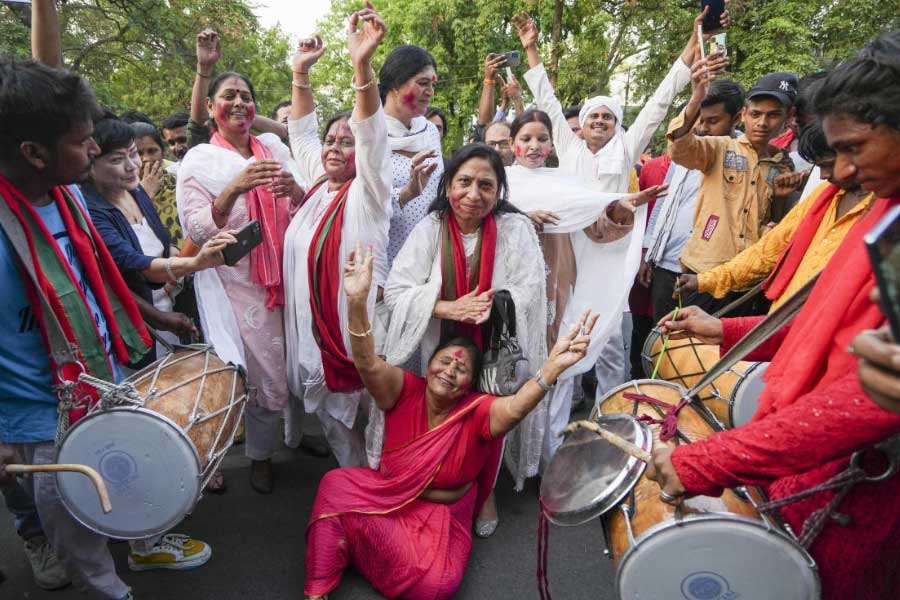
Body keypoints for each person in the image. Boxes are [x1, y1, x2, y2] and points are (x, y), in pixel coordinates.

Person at [646, 31, 900, 599]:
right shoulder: (882, 207)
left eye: (855, 148)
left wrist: (710, 460)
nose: (844, 171)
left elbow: (871, 398)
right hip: (794, 466)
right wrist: (728, 328)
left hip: (849, 492)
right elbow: (816, 319)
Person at [0, 55, 212, 599]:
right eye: (83, 141)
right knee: (68, 519)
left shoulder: (69, 199)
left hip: (103, 380)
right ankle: (108, 591)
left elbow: (98, 285)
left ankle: (138, 546)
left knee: (123, 475)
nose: (95, 149)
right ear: (34, 154)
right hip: (36, 417)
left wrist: (155, 315)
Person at [305, 241, 599, 600]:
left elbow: (517, 408)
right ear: (429, 366)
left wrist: (550, 369)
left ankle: (358, 545)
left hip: (442, 518)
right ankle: (319, 588)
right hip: (389, 499)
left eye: (461, 369)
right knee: (334, 485)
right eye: (444, 362)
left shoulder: (475, 412)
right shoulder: (404, 389)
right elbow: (367, 362)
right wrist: (355, 303)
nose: (450, 370)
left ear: (468, 383)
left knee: (437, 585)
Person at [514, 8, 705, 399]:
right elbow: (546, 100)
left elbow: (659, 102)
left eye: (607, 117)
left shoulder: (626, 147)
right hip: (568, 251)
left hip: (612, 252)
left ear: (616, 124)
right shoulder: (568, 148)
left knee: (613, 344)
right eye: (593, 116)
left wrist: (693, 42)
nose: (599, 121)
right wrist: (531, 50)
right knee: (564, 329)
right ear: (581, 125)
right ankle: (560, 407)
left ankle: (609, 414)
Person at [382, 144, 547, 534]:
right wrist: (446, 308)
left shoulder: (515, 228)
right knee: (442, 416)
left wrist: (498, 306)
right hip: (441, 344)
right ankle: (439, 480)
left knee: (489, 420)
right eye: (465, 183)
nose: (474, 195)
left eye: (486, 185)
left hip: (494, 348)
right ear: (448, 186)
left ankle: (485, 490)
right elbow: (396, 289)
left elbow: (532, 288)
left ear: (499, 191)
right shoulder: (430, 228)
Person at [503, 109, 667, 465]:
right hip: (513, 288)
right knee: (517, 369)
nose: (534, 146)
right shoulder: (500, 181)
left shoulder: (568, 181)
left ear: (553, 144)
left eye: (542, 138)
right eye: (526, 139)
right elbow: (486, 223)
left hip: (560, 287)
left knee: (557, 373)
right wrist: (521, 218)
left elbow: (597, 227)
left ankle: (548, 460)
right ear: (512, 144)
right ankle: (514, 460)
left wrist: (621, 208)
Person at [177, 63, 303, 493]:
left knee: (298, 365)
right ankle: (261, 456)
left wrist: (297, 193)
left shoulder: (274, 150)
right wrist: (233, 187)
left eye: (246, 96)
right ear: (210, 108)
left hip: (290, 277)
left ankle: (295, 436)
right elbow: (196, 229)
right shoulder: (200, 161)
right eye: (228, 96)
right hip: (242, 287)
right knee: (266, 375)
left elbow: (307, 209)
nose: (239, 103)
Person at [282, 4, 391, 469]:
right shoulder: (315, 189)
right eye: (333, 140)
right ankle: (354, 491)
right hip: (313, 332)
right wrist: (300, 73)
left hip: (358, 332)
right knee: (336, 428)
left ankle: (384, 493)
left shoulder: (368, 191)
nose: (335, 147)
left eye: (346, 142)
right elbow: (302, 134)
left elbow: (371, 136)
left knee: (374, 423)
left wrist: (360, 64)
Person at [675, 119, 873, 311]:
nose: (823, 176)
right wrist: (704, 280)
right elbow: (767, 252)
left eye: (828, 165)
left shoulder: (883, 212)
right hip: (785, 320)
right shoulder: (822, 197)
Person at [83, 118, 229, 359]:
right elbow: (136, 265)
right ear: (90, 164)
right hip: (133, 327)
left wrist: (188, 257)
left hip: (167, 310)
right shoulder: (92, 211)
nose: (132, 165)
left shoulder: (136, 191)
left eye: (133, 154)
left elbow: (161, 245)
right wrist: (196, 262)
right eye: (117, 160)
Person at [668, 63, 801, 314]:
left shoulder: (783, 166)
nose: (762, 122)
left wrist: (782, 199)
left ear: (787, 119)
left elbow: (775, 226)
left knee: (734, 350)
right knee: (692, 350)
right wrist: (697, 97)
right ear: (743, 115)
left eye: (772, 115)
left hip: (749, 279)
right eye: (756, 114)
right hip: (704, 272)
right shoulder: (720, 148)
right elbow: (680, 148)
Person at [643, 79, 745, 321]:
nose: (701, 128)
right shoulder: (686, 150)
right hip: (666, 265)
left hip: (708, 271)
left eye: (712, 121)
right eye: (698, 120)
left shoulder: (744, 156)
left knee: (694, 347)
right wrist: (650, 252)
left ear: (737, 118)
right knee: (660, 341)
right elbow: (664, 201)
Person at [378, 43, 444, 269]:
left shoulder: (430, 131)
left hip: (430, 257)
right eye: (423, 83)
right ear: (396, 84)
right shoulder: (366, 135)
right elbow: (362, 203)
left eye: (432, 85)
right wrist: (406, 193)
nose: (430, 92)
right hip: (386, 259)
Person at [131, 121, 184, 247]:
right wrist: (144, 195)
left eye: (152, 151)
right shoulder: (123, 194)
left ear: (162, 151)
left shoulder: (181, 182)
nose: (146, 158)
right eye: (138, 153)